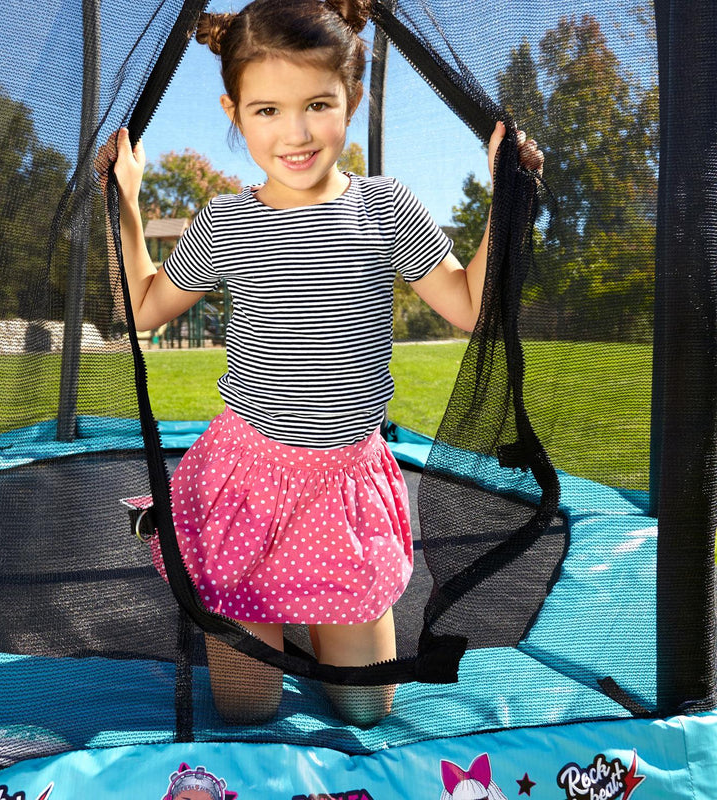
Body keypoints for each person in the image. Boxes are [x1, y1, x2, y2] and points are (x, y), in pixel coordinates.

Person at [105, 0, 543, 727]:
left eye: (317, 104)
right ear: (234, 111)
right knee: (248, 709)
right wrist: (126, 200)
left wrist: (506, 197)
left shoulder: (387, 208)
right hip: (247, 485)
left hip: (344, 488)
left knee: (365, 707)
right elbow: (144, 306)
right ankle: (253, 601)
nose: (296, 133)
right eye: (267, 110)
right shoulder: (226, 218)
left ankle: (309, 616)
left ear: (353, 100)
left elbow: (469, 305)